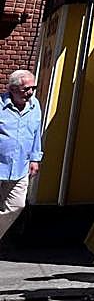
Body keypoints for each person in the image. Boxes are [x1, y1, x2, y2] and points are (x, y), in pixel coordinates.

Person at [0, 70, 42, 245]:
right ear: (12, 89)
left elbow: (36, 133)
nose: (30, 93)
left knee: (17, 205)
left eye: (33, 88)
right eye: (26, 89)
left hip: (20, 166)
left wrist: (35, 158)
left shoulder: (35, 106)